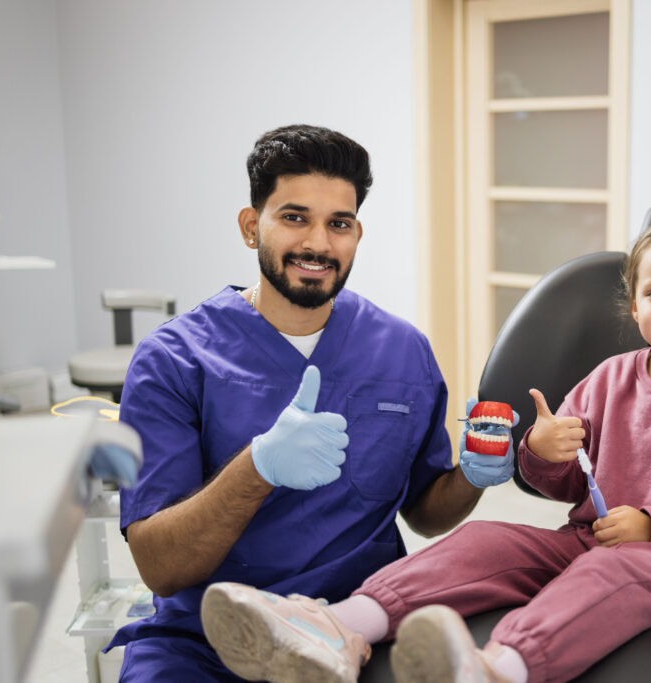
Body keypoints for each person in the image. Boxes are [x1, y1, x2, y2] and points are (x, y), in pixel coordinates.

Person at [199, 213, 651, 683]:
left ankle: (498, 669)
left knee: (608, 575)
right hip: (585, 539)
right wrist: (543, 450)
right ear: (635, 305)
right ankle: (338, 628)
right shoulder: (610, 376)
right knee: (484, 540)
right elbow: (563, 480)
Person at [107, 124, 515, 681]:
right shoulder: (173, 360)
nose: (319, 245)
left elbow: (424, 512)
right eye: (295, 217)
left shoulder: (401, 350)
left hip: (358, 624)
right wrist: (257, 467)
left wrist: (471, 474)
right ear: (253, 227)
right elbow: (162, 568)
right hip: (206, 640)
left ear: (356, 233)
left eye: (338, 224)